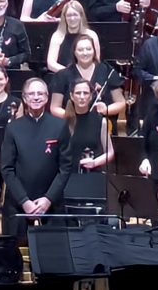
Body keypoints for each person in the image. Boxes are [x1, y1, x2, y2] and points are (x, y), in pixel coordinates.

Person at [0, 78, 69, 223]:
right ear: (24, 98)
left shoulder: (60, 126)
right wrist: (24, 201)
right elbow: (7, 169)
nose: (36, 97)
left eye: (40, 93)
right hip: (19, 203)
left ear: (47, 97)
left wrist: (48, 199)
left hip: (51, 202)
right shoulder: (13, 128)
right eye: (31, 94)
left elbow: (65, 168)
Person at [49, 79, 115, 212]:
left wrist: (94, 162)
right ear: (71, 96)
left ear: (91, 96)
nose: (82, 96)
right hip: (67, 177)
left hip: (92, 176)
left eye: (85, 93)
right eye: (78, 93)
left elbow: (110, 152)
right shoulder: (61, 122)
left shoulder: (100, 121)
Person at [45, 0, 99, 76]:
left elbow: (96, 61)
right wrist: (71, 74)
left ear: (81, 16)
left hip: (86, 76)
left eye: (75, 15)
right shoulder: (57, 35)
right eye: (69, 15)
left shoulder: (91, 35)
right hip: (63, 75)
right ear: (64, 17)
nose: (72, 18)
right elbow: (51, 63)